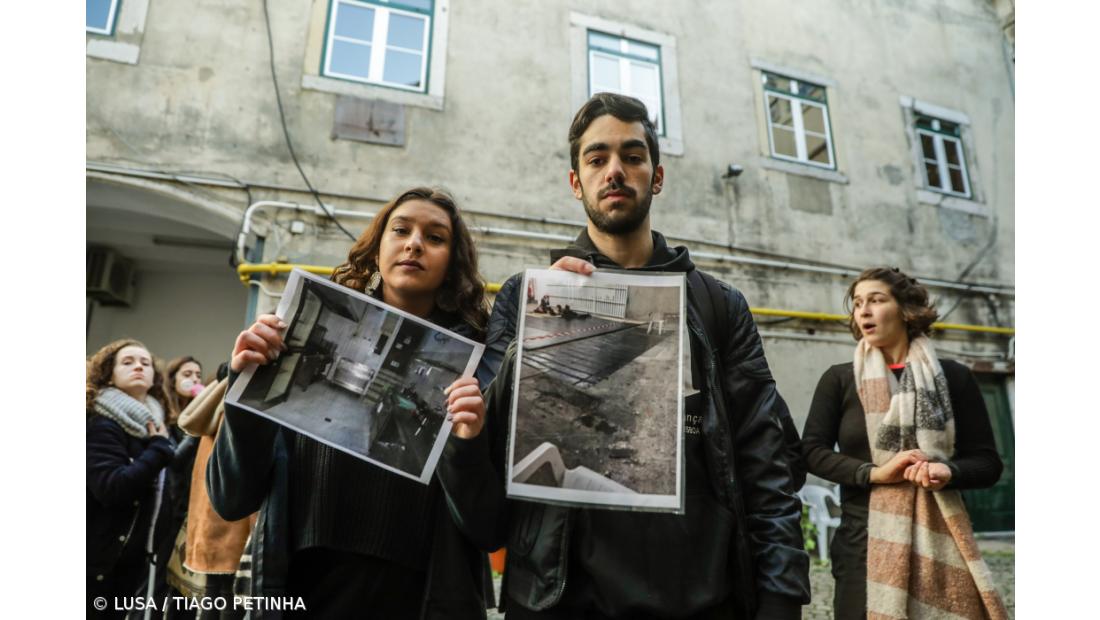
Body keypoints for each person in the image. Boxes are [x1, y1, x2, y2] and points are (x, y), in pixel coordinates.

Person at [438, 93, 810, 619]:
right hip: (560, 598)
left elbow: (766, 461)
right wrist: (544, 332)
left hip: (701, 598)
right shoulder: (525, 299)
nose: (615, 170)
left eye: (632, 157)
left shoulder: (718, 305)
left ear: (656, 176)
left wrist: (781, 598)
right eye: (597, 159)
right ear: (576, 182)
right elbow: (488, 492)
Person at [207, 187, 493, 619]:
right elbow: (231, 499)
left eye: (435, 237)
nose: (414, 242)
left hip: (419, 599)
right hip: (301, 592)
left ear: (453, 263)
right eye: (401, 230)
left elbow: (488, 526)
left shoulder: (481, 369)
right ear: (378, 248)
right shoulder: (290, 338)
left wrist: (467, 444)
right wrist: (244, 391)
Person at [800, 267, 1007, 619]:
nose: (863, 310)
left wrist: (948, 471)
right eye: (858, 303)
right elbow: (811, 452)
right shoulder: (840, 379)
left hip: (938, 536)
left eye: (876, 300)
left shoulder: (953, 377)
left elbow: (988, 463)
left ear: (906, 310)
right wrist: (875, 474)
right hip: (862, 541)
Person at [87, 339, 175, 618]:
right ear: (108, 375)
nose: (138, 366)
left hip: (134, 562)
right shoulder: (101, 422)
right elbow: (112, 487)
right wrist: (159, 449)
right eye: (127, 362)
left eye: (145, 363)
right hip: (99, 562)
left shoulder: (156, 423)